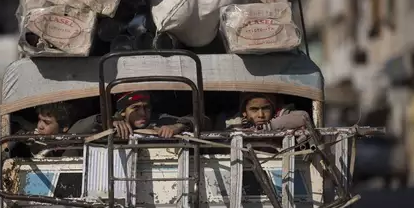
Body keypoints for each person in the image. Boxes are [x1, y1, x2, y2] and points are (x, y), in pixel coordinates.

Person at [67, 91, 195, 139]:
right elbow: (72, 133)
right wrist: (105, 121)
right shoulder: (109, 123)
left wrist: (180, 126)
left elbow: (202, 121)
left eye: (146, 107)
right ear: (123, 111)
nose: (143, 113)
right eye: (135, 108)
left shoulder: (160, 120)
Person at [226, 92, 312, 131]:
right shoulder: (235, 122)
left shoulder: (280, 116)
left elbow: (303, 117)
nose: (261, 115)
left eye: (265, 108)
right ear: (244, 112)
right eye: (254, 109)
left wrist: (270, 126)